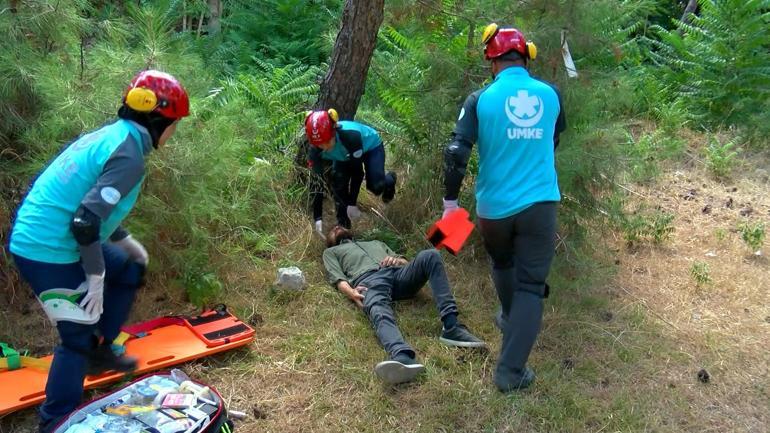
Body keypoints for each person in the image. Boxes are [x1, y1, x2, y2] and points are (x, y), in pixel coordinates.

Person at [8, 70, 189, 432]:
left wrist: (122, 241)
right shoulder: (129, 156)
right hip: (46, 247)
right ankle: (56, 419)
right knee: (76, 337)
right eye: (175, 124)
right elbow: (85, 223)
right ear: (158, 120)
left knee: (128, 267)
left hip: (59, 235)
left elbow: (89, 204)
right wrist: (94, 277)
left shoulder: (115, 137)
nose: (174, 132)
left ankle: (100, 350)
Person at [441, 24, 566, 392]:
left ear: (492, 62)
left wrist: (450, 206)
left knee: (502, 262)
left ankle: (511, 318)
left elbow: (455, 154)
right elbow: (553, 138)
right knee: (530, 285)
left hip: (492, 209)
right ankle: (511, 372)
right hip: (539, 204)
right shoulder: (551, 94)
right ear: (526, 57)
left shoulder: (479, 100)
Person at [322, 225, 485, 385]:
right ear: (330, 242)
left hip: (398, 274)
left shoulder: (375, 243)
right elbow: (337, 278)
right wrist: (351, 293)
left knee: (431, 255)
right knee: (378, 308)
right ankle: (402, 357)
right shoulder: (331, 252)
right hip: (369, 282)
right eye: (332, 231)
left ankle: (452, 327)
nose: (336, 227)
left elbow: (405, 262)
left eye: (339, 226)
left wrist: (397, 260)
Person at [305, 110, 397, 235]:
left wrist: (352, 203)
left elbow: (357, 173)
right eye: (320, 144)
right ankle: (343, 225)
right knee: (338, 184)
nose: (325, 147)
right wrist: (318, 218)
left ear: (334, 132)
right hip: (345, 155)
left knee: (375, 186)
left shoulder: (350, 136)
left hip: (370, 147)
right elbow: (317, 182)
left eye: (327, 142)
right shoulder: (314, 150)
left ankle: (390, 179)